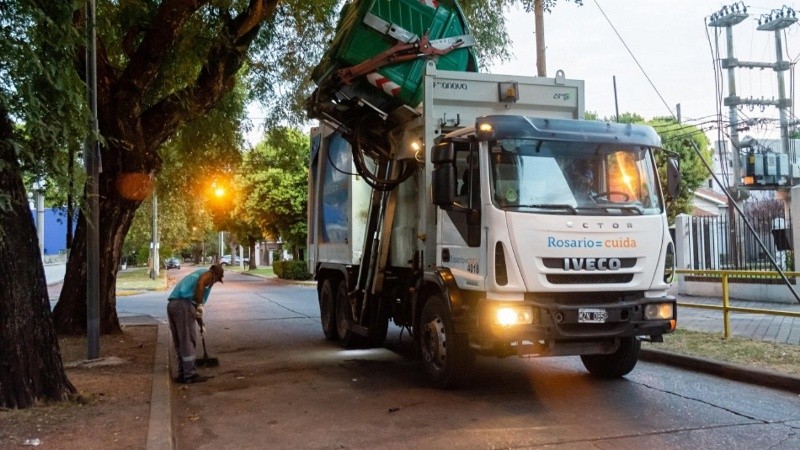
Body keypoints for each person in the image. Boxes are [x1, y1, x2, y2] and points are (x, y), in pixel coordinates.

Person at [167, 264, 224, 383]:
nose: (214, 283)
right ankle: (190, 375)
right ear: (216, 275)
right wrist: (200, 305)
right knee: (188, 340)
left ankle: (182, 373)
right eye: (217, 280)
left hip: (173, 305)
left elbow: (196, 309)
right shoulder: (208, 275)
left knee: (180, 341)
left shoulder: (198, 273)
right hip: (183, 306)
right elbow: (200, 285)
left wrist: (201, 323)